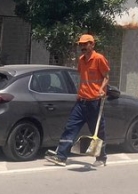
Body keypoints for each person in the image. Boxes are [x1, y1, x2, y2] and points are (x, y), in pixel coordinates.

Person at [45, 34, 110, 167]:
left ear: (92, 45)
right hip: (81, 101)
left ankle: (101, 157)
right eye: (80, 45)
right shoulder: (81, 60)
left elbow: (106, 77)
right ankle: (61, 156)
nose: (82, 47)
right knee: (70, 127)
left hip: (94, 102)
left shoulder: (99, 59)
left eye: (85, 44)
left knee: (98, 132)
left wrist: (102, 90)